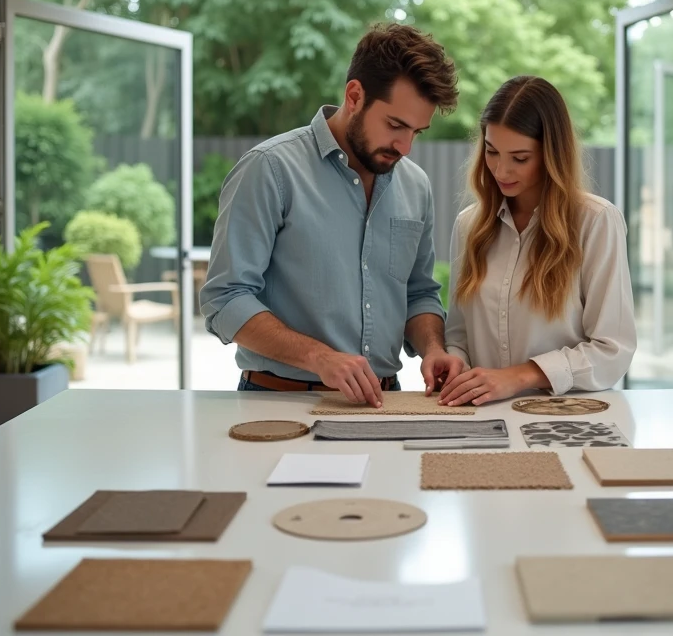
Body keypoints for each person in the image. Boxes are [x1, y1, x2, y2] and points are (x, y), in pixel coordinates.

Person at [200, 23, 467, 406]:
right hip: (281, 401)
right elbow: (224, 299)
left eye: (417, 132)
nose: (405, 147)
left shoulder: (415, 184)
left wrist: (433, 348)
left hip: (387, 401)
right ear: (355, 95)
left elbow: (419, 292)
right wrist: (319, 358)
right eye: (395, 125)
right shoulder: (269, 169)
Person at [439, 75, 637, 407]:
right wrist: (455, 359)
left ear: (552, 155)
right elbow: (459, 333)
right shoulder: (469, 226)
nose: (501, 171)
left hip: (566, 419)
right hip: (483, 418)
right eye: (491, 152)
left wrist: (520, 376)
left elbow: (612, 349)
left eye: (520, 158)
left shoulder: (596, 221)